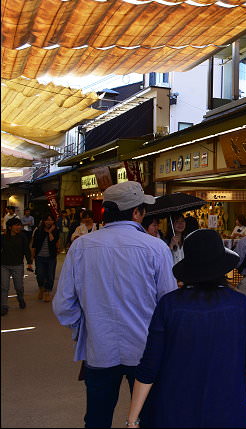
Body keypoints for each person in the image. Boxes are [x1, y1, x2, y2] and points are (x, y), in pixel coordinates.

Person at [52, 181, 178, 428]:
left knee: (98, 418)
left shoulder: (81, 246)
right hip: (146, 349)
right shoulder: (155, 247)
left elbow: (63, 304)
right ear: (136, 212)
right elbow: (167, 302)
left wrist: (86, 326)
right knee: (149, 415)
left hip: (99, 348)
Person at [124, 229, 246, 428]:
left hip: (173, 408)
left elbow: (149, 366)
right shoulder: (240, 304)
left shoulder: (169, 304)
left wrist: (132, 419)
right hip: (227, 406)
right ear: (222, 266)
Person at [1, 217, 32, 316]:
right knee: (4, 287)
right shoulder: (3, 237)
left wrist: (29, 262)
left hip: (18, 265)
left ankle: (20, 298)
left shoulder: (22, 237)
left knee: (18, 286)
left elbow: (26, 250)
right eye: (16, 225)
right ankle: (4, 306)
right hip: (4, 265)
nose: (19, 227)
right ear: (10, 227)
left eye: (20, 225)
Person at [31, 214, 60, 302]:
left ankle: (47, 292)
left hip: (51, 257)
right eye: (47, 220)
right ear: (43, 221)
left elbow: (55, 241)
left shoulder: (56, 231)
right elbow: (34, 244)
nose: (49, 221)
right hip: (39, 257)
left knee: (50, 275)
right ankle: (41, 288)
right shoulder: (38, 230)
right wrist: (32, 257)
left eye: (51, 220)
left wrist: (50, 232)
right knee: (40, 274)